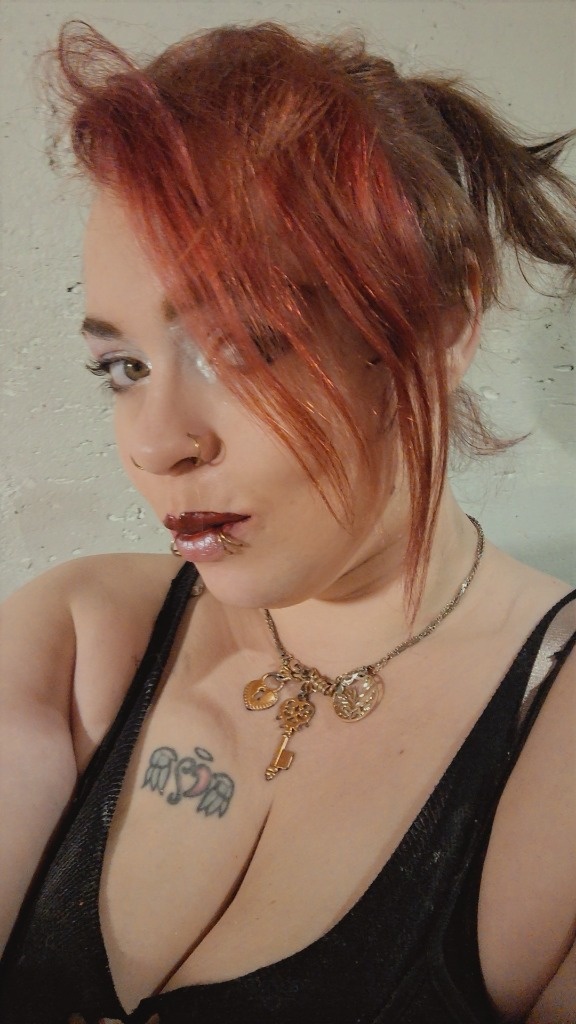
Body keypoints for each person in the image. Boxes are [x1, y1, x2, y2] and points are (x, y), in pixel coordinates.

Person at [0, 19, 574, 1024]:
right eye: (123, 367)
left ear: (438, 334)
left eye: (241, 347)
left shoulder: (554, 755)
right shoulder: (76, 643)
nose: (156, 443)